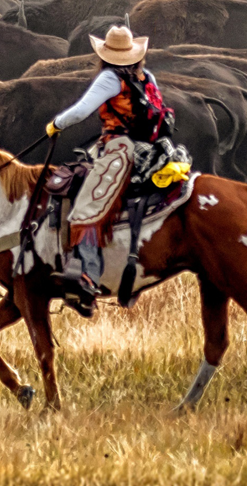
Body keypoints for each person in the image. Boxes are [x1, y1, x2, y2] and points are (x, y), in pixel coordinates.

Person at [42, 25, 173, 313]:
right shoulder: (145, 76)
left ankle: (88, 275)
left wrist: (56, 125)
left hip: (120, 150)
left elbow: (80, 111)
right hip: (153, 148)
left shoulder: (109, 79)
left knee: (85, 210)